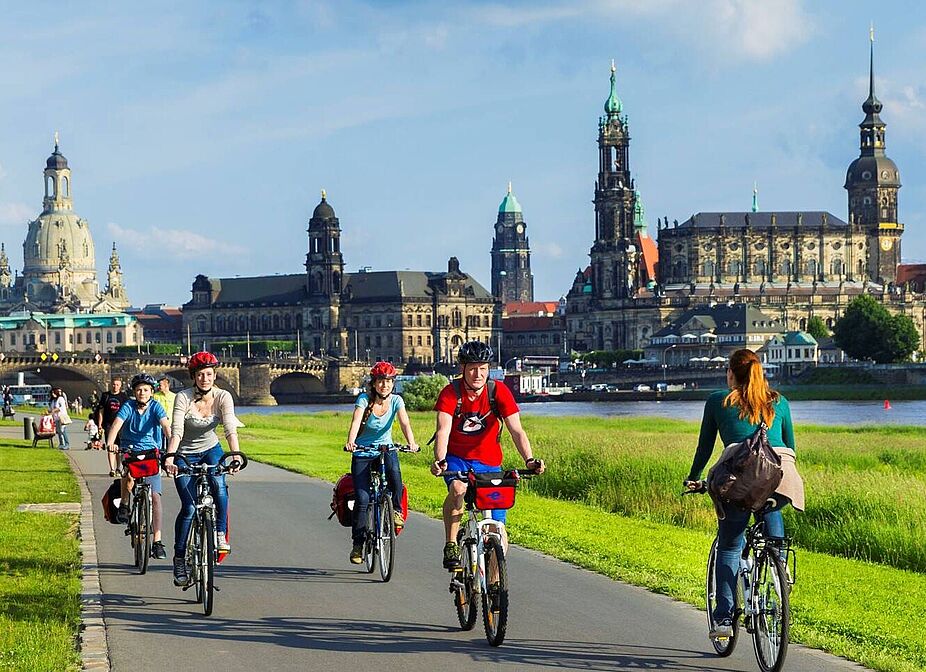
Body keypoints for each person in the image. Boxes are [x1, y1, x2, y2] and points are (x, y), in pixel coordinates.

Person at [684, 348, 805, 639]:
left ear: (730, 373)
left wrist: (694, 478)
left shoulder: (718, 400)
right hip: (780, 475)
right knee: (771, 513)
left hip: (741, 480)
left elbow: (704, 448)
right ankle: (778, 566)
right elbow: (790, 446)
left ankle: (724, 619)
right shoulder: (780, 401)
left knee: (729, 546)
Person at [429, 340, 544, 570]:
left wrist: (529, 460)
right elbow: (443, 430)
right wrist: (440, 460)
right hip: (456, 459)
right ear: (462, 368)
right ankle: (451, 543)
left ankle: (494, 587)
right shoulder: (451, 393)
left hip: (489, 462)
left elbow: (516, 430)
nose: (477, 374)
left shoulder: (498, 391)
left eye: (482, 368)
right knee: (458, 489)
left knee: (496, 530)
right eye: (472, 368)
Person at [164, 351, 243, 586]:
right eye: (200, 375)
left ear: (214, 375)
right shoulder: (183, 398)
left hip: (211, 449)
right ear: (194, 376)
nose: (205, 379)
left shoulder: (223, 397)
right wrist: (170, 457)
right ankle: (179, 558)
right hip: (184, 453)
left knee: (219, 486)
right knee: (189, 507)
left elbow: (229, 427)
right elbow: (177, 430)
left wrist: (235, 454)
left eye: (209, 374)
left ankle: (219, 532)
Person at [343, 361, 419, 564]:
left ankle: (395, 510)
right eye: (380, 381)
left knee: (395, 474)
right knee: (362, 498)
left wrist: (412, 443)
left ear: (393, 383)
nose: (384, 385)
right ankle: (358, 545)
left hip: (385, 449)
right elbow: (356, 421)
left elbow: (404, 423)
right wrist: (351, 442)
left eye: (388, 381)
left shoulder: (396, 401)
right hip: (363, 452)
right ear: (374, 383)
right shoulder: (363, 399)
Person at [105, 373, 171, 560]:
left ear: (152, 392)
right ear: (134, 392)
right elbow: (117, 425)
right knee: (128, 473)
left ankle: (157, 541)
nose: (142, 393)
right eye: (139, 390)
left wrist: (172, 445)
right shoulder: (128, 406)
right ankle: (125, 505)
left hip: (151, 452)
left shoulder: (156, 407)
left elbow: (165, 426)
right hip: (130, 449)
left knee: (155, 498)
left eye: (146, 390)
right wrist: (111, 443)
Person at [99, 378, 129, 477]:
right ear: (110, 385)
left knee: (120, 448)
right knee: (110, 446)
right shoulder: (105, 396)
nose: (115, 386)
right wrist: (100, 424)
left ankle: (118, 468)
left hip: (121, 425)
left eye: (117, 385)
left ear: (120, 386)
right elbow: (101, 411)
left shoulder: (124, 397)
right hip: (108, 424)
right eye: (113, 384)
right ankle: (112, 468)